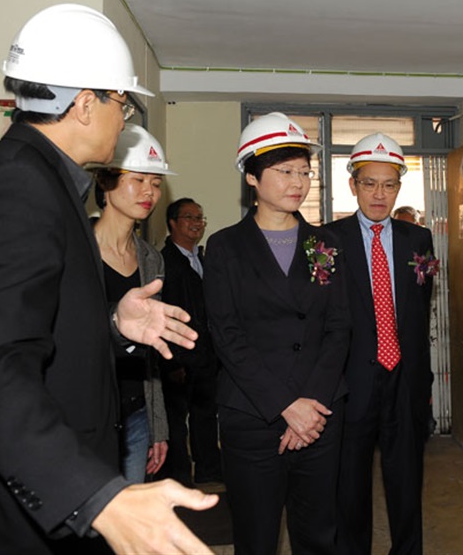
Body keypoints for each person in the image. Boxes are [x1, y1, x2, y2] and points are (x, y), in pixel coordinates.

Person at [0, 3, 216, 554]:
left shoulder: (38, 182)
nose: (126, 120)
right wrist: (96, 496)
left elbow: (38, 327)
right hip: (18, 511)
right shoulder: (15, 188)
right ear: (86, 104)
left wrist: (113, 325)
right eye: (124, 104)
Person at [203, 112, 351, 554]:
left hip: (321, 413)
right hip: (253, 414)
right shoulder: (226, 247)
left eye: (305, 171)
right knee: (257, 536)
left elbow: (339, 326)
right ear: (251, 176)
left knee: (318, 533)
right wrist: (285, 406)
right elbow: (227, 335)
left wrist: (310, 408)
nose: (298, 182)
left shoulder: (325, 243)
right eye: (285, 171)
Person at [325, 133, 437, 555]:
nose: (379, 194)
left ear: (398, 188)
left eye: (389, 184)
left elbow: (419, 308)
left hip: (404, 378)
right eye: (369, 183)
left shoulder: (417, 240)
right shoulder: (328, 240)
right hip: (351, 380)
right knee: (350, 483)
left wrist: (420, 376)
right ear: (353, 185)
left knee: (407, 478)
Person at [92, 124, 176, 482]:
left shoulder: (151, 259)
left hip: (137, 414)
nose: (149, 192)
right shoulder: (76, 248)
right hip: (88, 414)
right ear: (105, 182)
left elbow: (150, 352)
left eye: (156, 183)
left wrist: (158, 426)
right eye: (138, 179)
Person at [159, 197, 223, 486]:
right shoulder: (163, 262)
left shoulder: (204, 259)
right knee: (176, 422)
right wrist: (171, 360)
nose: (197, 223)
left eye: (200, 217)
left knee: (206, 415)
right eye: (189, 217)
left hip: (206, 354)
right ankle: (179, 476)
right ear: (172, 223)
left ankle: (209, 469)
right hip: (178, 357)